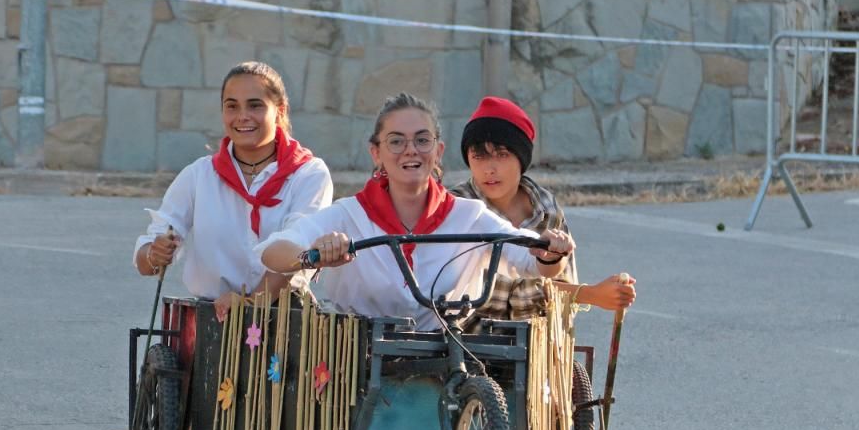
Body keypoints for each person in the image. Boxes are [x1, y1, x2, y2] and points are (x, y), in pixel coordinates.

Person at [257, 92, 574, 331]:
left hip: (445, 358)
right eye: (396, 141)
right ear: (376, 153)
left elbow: (532, 260)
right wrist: (311, 254)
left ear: (438, 152)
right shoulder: (348, 214)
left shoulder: (469, 216)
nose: (410, 150)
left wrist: (549, 251)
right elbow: (273, 252)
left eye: (422, 140)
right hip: (357, 362)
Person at [133, 61, 333, 321]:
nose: (242, 116)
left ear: (280, 112)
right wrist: (154, 253)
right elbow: (147, 258)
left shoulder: (309, 174)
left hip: (285, 316)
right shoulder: (199, 175)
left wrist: (250, 303)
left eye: (255, 105)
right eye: (232, 106)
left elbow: (297, 248)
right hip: (212, 316)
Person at [448, 96, 635, 322]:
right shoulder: (457, 207)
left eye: (502, 155)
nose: (489, 169)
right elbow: (493, 294)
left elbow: (560, 289)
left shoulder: (546, 207)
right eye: (478, 157)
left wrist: (592, 294)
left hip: (536, 344)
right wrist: (590, 294)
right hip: (465, 343)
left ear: (522, 158)